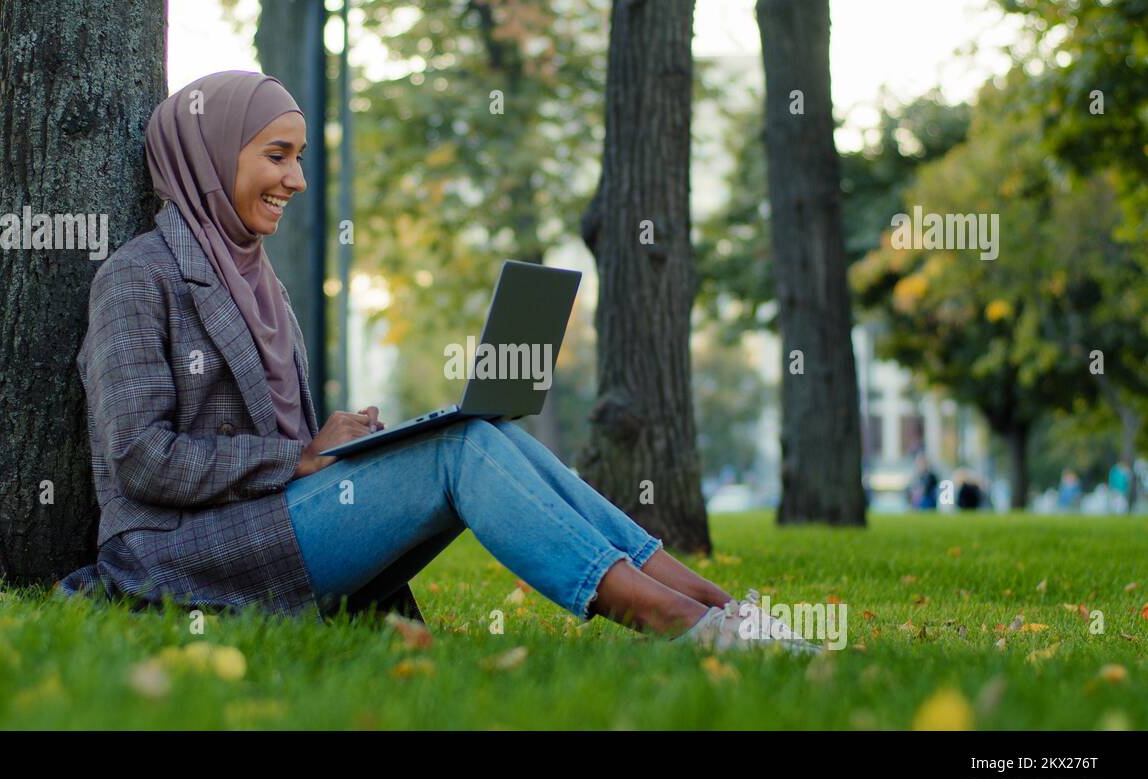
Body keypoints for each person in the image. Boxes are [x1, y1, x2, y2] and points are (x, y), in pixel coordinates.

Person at [57, 70, 818, 655]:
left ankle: (720, 608)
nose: (296, 178)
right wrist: (297, 456)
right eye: (276, 156)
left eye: (299, 157)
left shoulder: (257, 279)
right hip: (181, 555)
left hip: (268, 520)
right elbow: (138, 458)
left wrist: (339, 441)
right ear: (211, 154)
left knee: (488, 431)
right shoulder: (137, 275)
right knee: (458, 447)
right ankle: (673, 621)